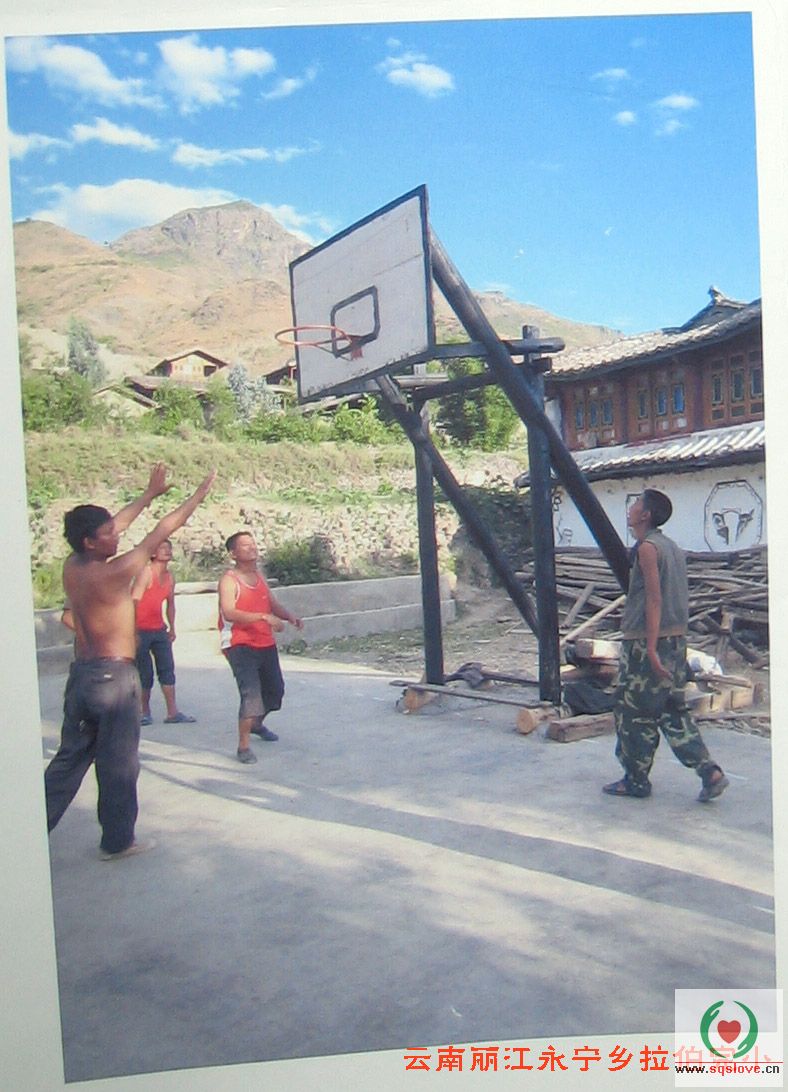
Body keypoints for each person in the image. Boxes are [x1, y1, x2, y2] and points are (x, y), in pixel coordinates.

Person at [44, 464, 216, 859]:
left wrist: (149, 494)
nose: (117, 534)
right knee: (118, 764)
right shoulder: (115, 574)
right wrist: (198, 496)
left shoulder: (73, 566)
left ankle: (27, 833)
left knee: (69, 760)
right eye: (108, 533)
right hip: (114, 678)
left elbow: (119, 523)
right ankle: (118, 841)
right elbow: (162, 530)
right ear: (90, 542)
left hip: (82, 676)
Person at [603, 488, 729, 803]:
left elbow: (654, 599)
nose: (630, 508)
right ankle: (709, 771)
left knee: (634, 712)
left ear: (645, 515)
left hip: (648, 641)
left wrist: (650, 648)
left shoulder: (648, 548)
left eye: (635, 504)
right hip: (675, 640)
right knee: (672, 709)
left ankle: (635, 780)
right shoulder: (671, 547)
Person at [218, 531, 303, 764]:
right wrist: (263, 617)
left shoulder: (259, 576)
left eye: (253, 544)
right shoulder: (229, 580)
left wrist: (289, 617)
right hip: (239, 643)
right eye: (244, 545)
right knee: (251, 694)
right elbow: (229, 612)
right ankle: (243, 747)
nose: (252, 548)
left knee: (275, 692)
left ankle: (256, 723)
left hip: (264, 642)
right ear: (233, 554)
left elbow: (272, 603)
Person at [131, 539, 195, 726]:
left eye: (169, 548)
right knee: (144, 672)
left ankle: (172, 712)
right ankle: (144, 711)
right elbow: (134, 601)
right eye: (162, 548)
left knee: (167, 669)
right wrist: (132, 631)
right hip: (141, 630)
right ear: (152, 553)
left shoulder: (169, 577)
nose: (167, 551)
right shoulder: (146, 573)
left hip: (159, 629)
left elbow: (170, 604)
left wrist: (172, 627)